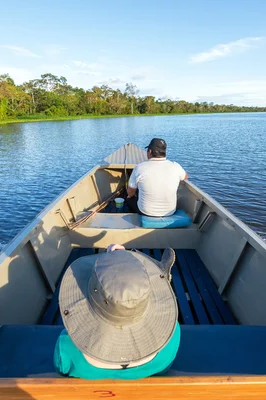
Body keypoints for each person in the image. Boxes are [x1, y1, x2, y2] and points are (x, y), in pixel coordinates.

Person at [54, 245, 180, 379]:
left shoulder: (66, 346)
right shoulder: (172, 335)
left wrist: (112, 262)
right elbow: (162, 371)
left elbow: (61, 371)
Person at [125, 138, 188, 217]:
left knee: (128, 198)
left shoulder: (139, 168)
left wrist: (131, 195)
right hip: (169, 212)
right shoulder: (175, 166)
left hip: (145, 212)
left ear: (150, 151)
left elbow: (130, 192)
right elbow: (185, 176)